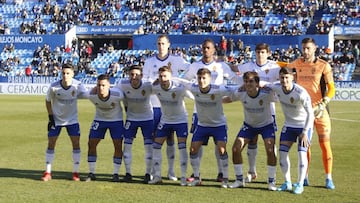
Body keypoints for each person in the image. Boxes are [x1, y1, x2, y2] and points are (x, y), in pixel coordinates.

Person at [182, 38, 241, 182]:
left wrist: (244, 86)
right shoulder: (195, 65)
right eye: (204, 48)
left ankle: (221, 173)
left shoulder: (221, 66)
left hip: (216, 109)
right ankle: (196, 173)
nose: (206, 50)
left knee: (219, 144)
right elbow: (185, 81)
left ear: (214, 50)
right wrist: (193, 96)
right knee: (198, 143)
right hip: (199, 110)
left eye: (208, 48)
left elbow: (234, 79)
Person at [288, 37, 336, 189]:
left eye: (309, 48)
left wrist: (324, 103)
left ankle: (328, 178)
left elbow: (332, 89)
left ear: (315, 48)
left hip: (320, 111)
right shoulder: (296, 64)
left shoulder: (323, 65)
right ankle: (305, 177)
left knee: (325, 145)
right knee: (305, 145)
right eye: (304, 48)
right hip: (303, 112)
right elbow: (283, 69)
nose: (306, 51)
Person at [143, 35, 189, 181]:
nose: (161, 46)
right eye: (158, 43)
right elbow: (145, 81)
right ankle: (151, 172)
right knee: (153, 140)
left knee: (170, 140)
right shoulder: (150, 62)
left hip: (172, 106)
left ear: (169, 44)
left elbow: (190, 70)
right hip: (154, 106)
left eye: (163, 43)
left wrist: (177, 82)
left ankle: (171, 172)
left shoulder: (177, 60)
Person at [223, 71, 277, 191]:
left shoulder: (267, 93)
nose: (248, 84)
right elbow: (228, 99)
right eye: (246, 81)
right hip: (249, 126)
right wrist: (212, 100)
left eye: (251, 81)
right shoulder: (241, 93)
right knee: (236, 148)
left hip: (266, 125)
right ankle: (239, 180)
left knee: (270, 149)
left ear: (257, 83)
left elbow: (281, 97)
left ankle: (272, 181)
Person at [236, 43, 280, 183]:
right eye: (258, 52)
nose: (260, 54)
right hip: (252, 108)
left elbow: (283, 80)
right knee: (252, 141)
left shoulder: (275, 67)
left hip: (268, 109)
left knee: (270, 144)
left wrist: (265, 85)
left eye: (263, 52)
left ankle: (272, 175)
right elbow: (234, 68)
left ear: (268, 53)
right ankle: (252, 171)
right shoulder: (248, 66)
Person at [266, 67, 314, 194]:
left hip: (304, 126)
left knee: (301, 154)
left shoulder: (301, 93)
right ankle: (287, 182)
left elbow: (311, 114)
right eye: (282, 77)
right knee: (282, 155)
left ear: (292, 77)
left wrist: (305, 132)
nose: (284, 80)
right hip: (289, 126)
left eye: (287, 77)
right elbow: (264, 84)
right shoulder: (276, 87)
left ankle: (300, 184)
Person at [183, 68, 233, 188]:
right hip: (203, 124)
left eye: (204, 78)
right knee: (193, 149)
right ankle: (196, 178)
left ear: (210, 79)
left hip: (218, 125)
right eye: (199, 78)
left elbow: (234, 91)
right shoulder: (194, 88)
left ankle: (225, 178)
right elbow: (181, 82)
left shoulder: (218, 89)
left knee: (221, 150)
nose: (201, 80)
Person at [41, 63, 88, 181]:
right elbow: (47, 101)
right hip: (56, 120)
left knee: (76, 144)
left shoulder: (78, 85)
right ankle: (47, 172)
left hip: (72, 120)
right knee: (51, 143)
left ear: (73, 74)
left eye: (68, 73)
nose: (65, 75)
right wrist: (51, 117)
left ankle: (76, 172)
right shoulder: (54, 86)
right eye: (63, 73)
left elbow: (87, 95)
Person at [148, 65, 190, 186]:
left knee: (182, 147)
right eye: (160, 76)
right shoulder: (156, 87)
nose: (162, 78)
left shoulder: (179, 88)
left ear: (171, 77)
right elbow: (146, 88)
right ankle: (157, 175)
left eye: (165, 76)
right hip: (165, 120)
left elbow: (192, 91)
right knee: (156, 146)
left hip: (180, 120)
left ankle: (182, 177)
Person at [117, 65, 154, 183]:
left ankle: (148, 174)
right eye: (132, 75)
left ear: (141, 76)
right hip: (131, 118)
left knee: (148, 146)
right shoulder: (123, 84)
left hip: (147, 119)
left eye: (137, 75)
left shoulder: (148, 85)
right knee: (127, 145)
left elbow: (161, 88)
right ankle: (128, 173)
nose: (134, 77)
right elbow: (111, 91)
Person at [85, 74, 124, 182]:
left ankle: (116, 173)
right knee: (91, 143)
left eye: (103, 85)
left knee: (118, 145)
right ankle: (91, 172)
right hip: (99, 120)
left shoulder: (118, 95)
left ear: (109, 86)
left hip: (116, 121)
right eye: (98, 85)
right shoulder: (91, 96)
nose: (101, 88)